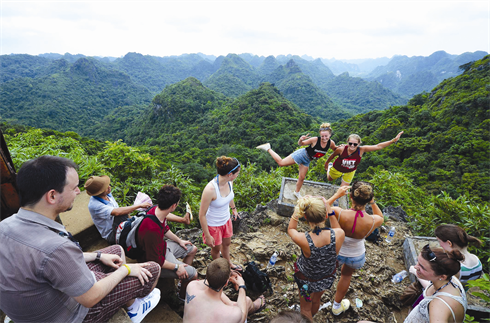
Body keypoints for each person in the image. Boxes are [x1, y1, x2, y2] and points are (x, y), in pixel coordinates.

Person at [0, 156, 161, 323]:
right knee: (152, 269)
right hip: (68, 315)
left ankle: (128, 300)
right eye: (74, 188)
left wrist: (98, 256)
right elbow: (89, 298)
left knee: (115, 252)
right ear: (52, 196)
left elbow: (46, 262)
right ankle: (136, 308)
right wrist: (126, 270)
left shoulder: (5, 226)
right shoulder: (55, 247)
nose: (78, 192)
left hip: (34, 305)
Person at [359, 245, 467, 323]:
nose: (416, 266)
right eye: (418, 262)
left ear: (442, 276)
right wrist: (416, 272)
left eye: (422, 267)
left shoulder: (439, 308)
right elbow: (432, 288)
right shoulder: (450, 280)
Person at [287, 188, 346, 320]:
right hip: (326, 276)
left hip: (306, 280)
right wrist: (328, 207)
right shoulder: (338, 234)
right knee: (316, 300)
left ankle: (307, 318)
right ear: (325, 215)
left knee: (304, 308)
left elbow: (291, 228)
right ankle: (311, 316)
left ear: (305, 217)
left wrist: (298, 210)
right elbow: (336, 227)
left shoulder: (304, 239)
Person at [330, 181, 384, 315]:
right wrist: (373, 202)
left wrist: (336, 195)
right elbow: (381, 217)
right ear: (368, 199)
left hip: (336, 251)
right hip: (356, 255)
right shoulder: (373, 220)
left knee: (327, 272)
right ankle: (336, 306)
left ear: (351, 197)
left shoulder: (339, 213)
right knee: (346, 275)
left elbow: (324, 207)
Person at [137, 185, 198, 301]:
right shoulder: (151, 229)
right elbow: (155, 260)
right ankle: (181, 297)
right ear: (173, 206)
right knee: (193, 274)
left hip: (163, 248)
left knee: (192, 249)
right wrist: (177, 267)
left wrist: (180, 241)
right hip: (155, 260)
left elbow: (165, 229)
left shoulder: (156, 210)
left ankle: (182, 281)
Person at [256, 123, 339, 199]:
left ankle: (297, 193)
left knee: (302, 178)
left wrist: (343, 146)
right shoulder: (315, 140)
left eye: (326, 136)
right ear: (320, 135)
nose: (324, 138)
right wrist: (300, 139)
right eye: (322, 136)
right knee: (281, 163)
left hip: (307, 160)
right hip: (301, 155)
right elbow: (301, 144)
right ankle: (268, 148)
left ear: (330, 135)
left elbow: (335, 149)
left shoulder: (331, 143)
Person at [409, 224, 483, 299]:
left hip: (446, 297)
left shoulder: (454, 267)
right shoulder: (477, 260)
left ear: (449, 243)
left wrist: (415, 272)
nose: (439, 244)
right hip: (461, 294)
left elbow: (437, 290)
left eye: (439, 241)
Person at [183, 258, 266, 323]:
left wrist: (230, 303)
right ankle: (255, 306)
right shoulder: (231, 314)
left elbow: (211, 284)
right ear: (227, 282)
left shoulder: (192, 286)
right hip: (226, 313)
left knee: (233, 304)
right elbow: (242, 316)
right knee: (246, 301)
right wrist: (241, 286)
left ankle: (247, 304)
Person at [199, 156, 242, 271]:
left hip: (226, 220)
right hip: (213, 225)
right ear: (230, 174)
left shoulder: (229, 182)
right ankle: (220, 269)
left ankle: (228, 263)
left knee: (227, 243)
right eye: (237, 173)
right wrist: (207, 235)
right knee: (216, 249)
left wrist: (233, 208)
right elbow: (201, 215)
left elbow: (229, 196)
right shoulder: (210, 190)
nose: (238, 175)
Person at [85, 175, 152, 244]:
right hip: (112, 234)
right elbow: (117, 212)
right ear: (99, 192)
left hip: (118, 224)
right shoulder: (95, 205)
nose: (109, 187)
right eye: (105, 187)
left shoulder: (107, 194)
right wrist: (139, 206)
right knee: (121, 214)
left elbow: (121, 210)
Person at [325, 131, 403, 187]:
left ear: (359, 144)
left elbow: (378, 146)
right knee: (330, 179)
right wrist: (327, 163)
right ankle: (330, 168)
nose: (352, 145)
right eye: (350, 143)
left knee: (344, 188)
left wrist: (393, 141)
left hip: (350, 171)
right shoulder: (341, 149)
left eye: (355, 144)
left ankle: (340, 206)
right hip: (338, 168)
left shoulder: (361, 150)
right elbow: (332, 156)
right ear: (347, 142)